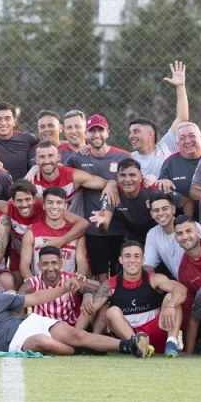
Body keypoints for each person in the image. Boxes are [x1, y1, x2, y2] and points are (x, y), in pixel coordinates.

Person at [0, 273, 150, 357]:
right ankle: (82, 351)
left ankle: (129, 345)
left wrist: (65, 289)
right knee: (42, 342)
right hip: (14, 343)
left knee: (78, 335)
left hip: (30, 321)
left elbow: (36, 298)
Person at [81, 240, 188, 356]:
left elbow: (181, 289)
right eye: (127, 256)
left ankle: (171, 343)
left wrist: (171, 305)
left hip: (158, 329)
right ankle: (139, 347)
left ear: (142, 260)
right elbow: (88, 310)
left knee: (173, 296)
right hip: (131, 333)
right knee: (111, 312)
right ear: (121, 260)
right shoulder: (110, 284)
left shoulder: (154, 279)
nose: (132, 260)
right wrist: (87, 294)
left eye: (136, 256)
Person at [71, 114, 132, 279]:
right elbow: (61, 173)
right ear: (86, 134)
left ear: (107, 133)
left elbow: (134, 182)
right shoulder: (78, 157)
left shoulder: (123, 156)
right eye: (92, 131)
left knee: (122, 275)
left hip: (121, 226)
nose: (96, 135)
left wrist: (113, 183)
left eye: (100, 130)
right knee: (101, 277)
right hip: (94, 230)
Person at [126, 61, 189, 178]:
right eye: (130, 132)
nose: (131, 136)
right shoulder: (129, 158)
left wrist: (180, 86)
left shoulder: (166, 146)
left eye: (136, 131)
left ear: (150, 134)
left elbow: (182, 118)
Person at [27, 139, 117, 216]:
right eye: (42, 157)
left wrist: (111, 184)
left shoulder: (73, 176)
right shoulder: (30, 181)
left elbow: (105, 183)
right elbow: (15, 201)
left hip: (74, 228)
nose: (47, 161)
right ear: (36, 160)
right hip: (44, 231)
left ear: (58, 157)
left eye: (51, 156)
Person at [89, 158, 167, 243]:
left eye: (132, 175)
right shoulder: (113, 194)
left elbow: (183, 201)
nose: (127, 180)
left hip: (159, 237)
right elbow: (104, 228)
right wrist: (101, 223)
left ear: (141, 177)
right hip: (131, 239)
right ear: (117, 178)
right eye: (123, 175)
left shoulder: (154, 190)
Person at [19, 187, 88, 278]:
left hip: (68, 286)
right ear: (43, 205)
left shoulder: (75, 233)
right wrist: (32, 282)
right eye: (50, 202)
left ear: (65, 206)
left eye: (59, 202)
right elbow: (24, 264)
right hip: (41, 287)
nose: (54, 206)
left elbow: (82, 262)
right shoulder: (31, 234)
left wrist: (78, 278)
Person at [19, 246, 91, 327]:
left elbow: (97, 289)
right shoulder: (32, 284)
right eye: (45, 263)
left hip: (70, 330)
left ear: (60, 264)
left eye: (54, 263)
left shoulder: (71, 279)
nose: (50, 268)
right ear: (39, 266)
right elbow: (16, 303)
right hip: (41, 332)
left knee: (96, 301)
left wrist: (87, 294)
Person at [156, 122, 201, 210]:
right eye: (182, 138)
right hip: (183, 219)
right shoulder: (170, 162)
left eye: (192, 135)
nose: (187, 141)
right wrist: (163, 182)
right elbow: (162, 191)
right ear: (178, 145)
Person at [142, 200, 201, 280]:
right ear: (152, 214)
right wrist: (154, 280)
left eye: (165, 208)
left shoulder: (192, 225)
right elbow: (148, 264)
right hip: (182, 285)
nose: (161, 213)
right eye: (156, 210)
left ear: (173, 209)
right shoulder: (152, 234)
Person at [0, 102, 39, 182]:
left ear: (14, 121)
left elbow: (46, 143)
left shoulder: (27, 138)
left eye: (7, 118)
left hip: (21, 190)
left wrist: (36, 166)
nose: (3, 123)